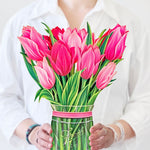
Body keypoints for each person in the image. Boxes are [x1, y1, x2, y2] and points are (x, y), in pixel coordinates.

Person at [0, 0, 150, 150]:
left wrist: (116, 132)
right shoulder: (21, 22)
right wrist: (32, 132)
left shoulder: (129, 23)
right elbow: (5, 97)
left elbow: (145, 98)